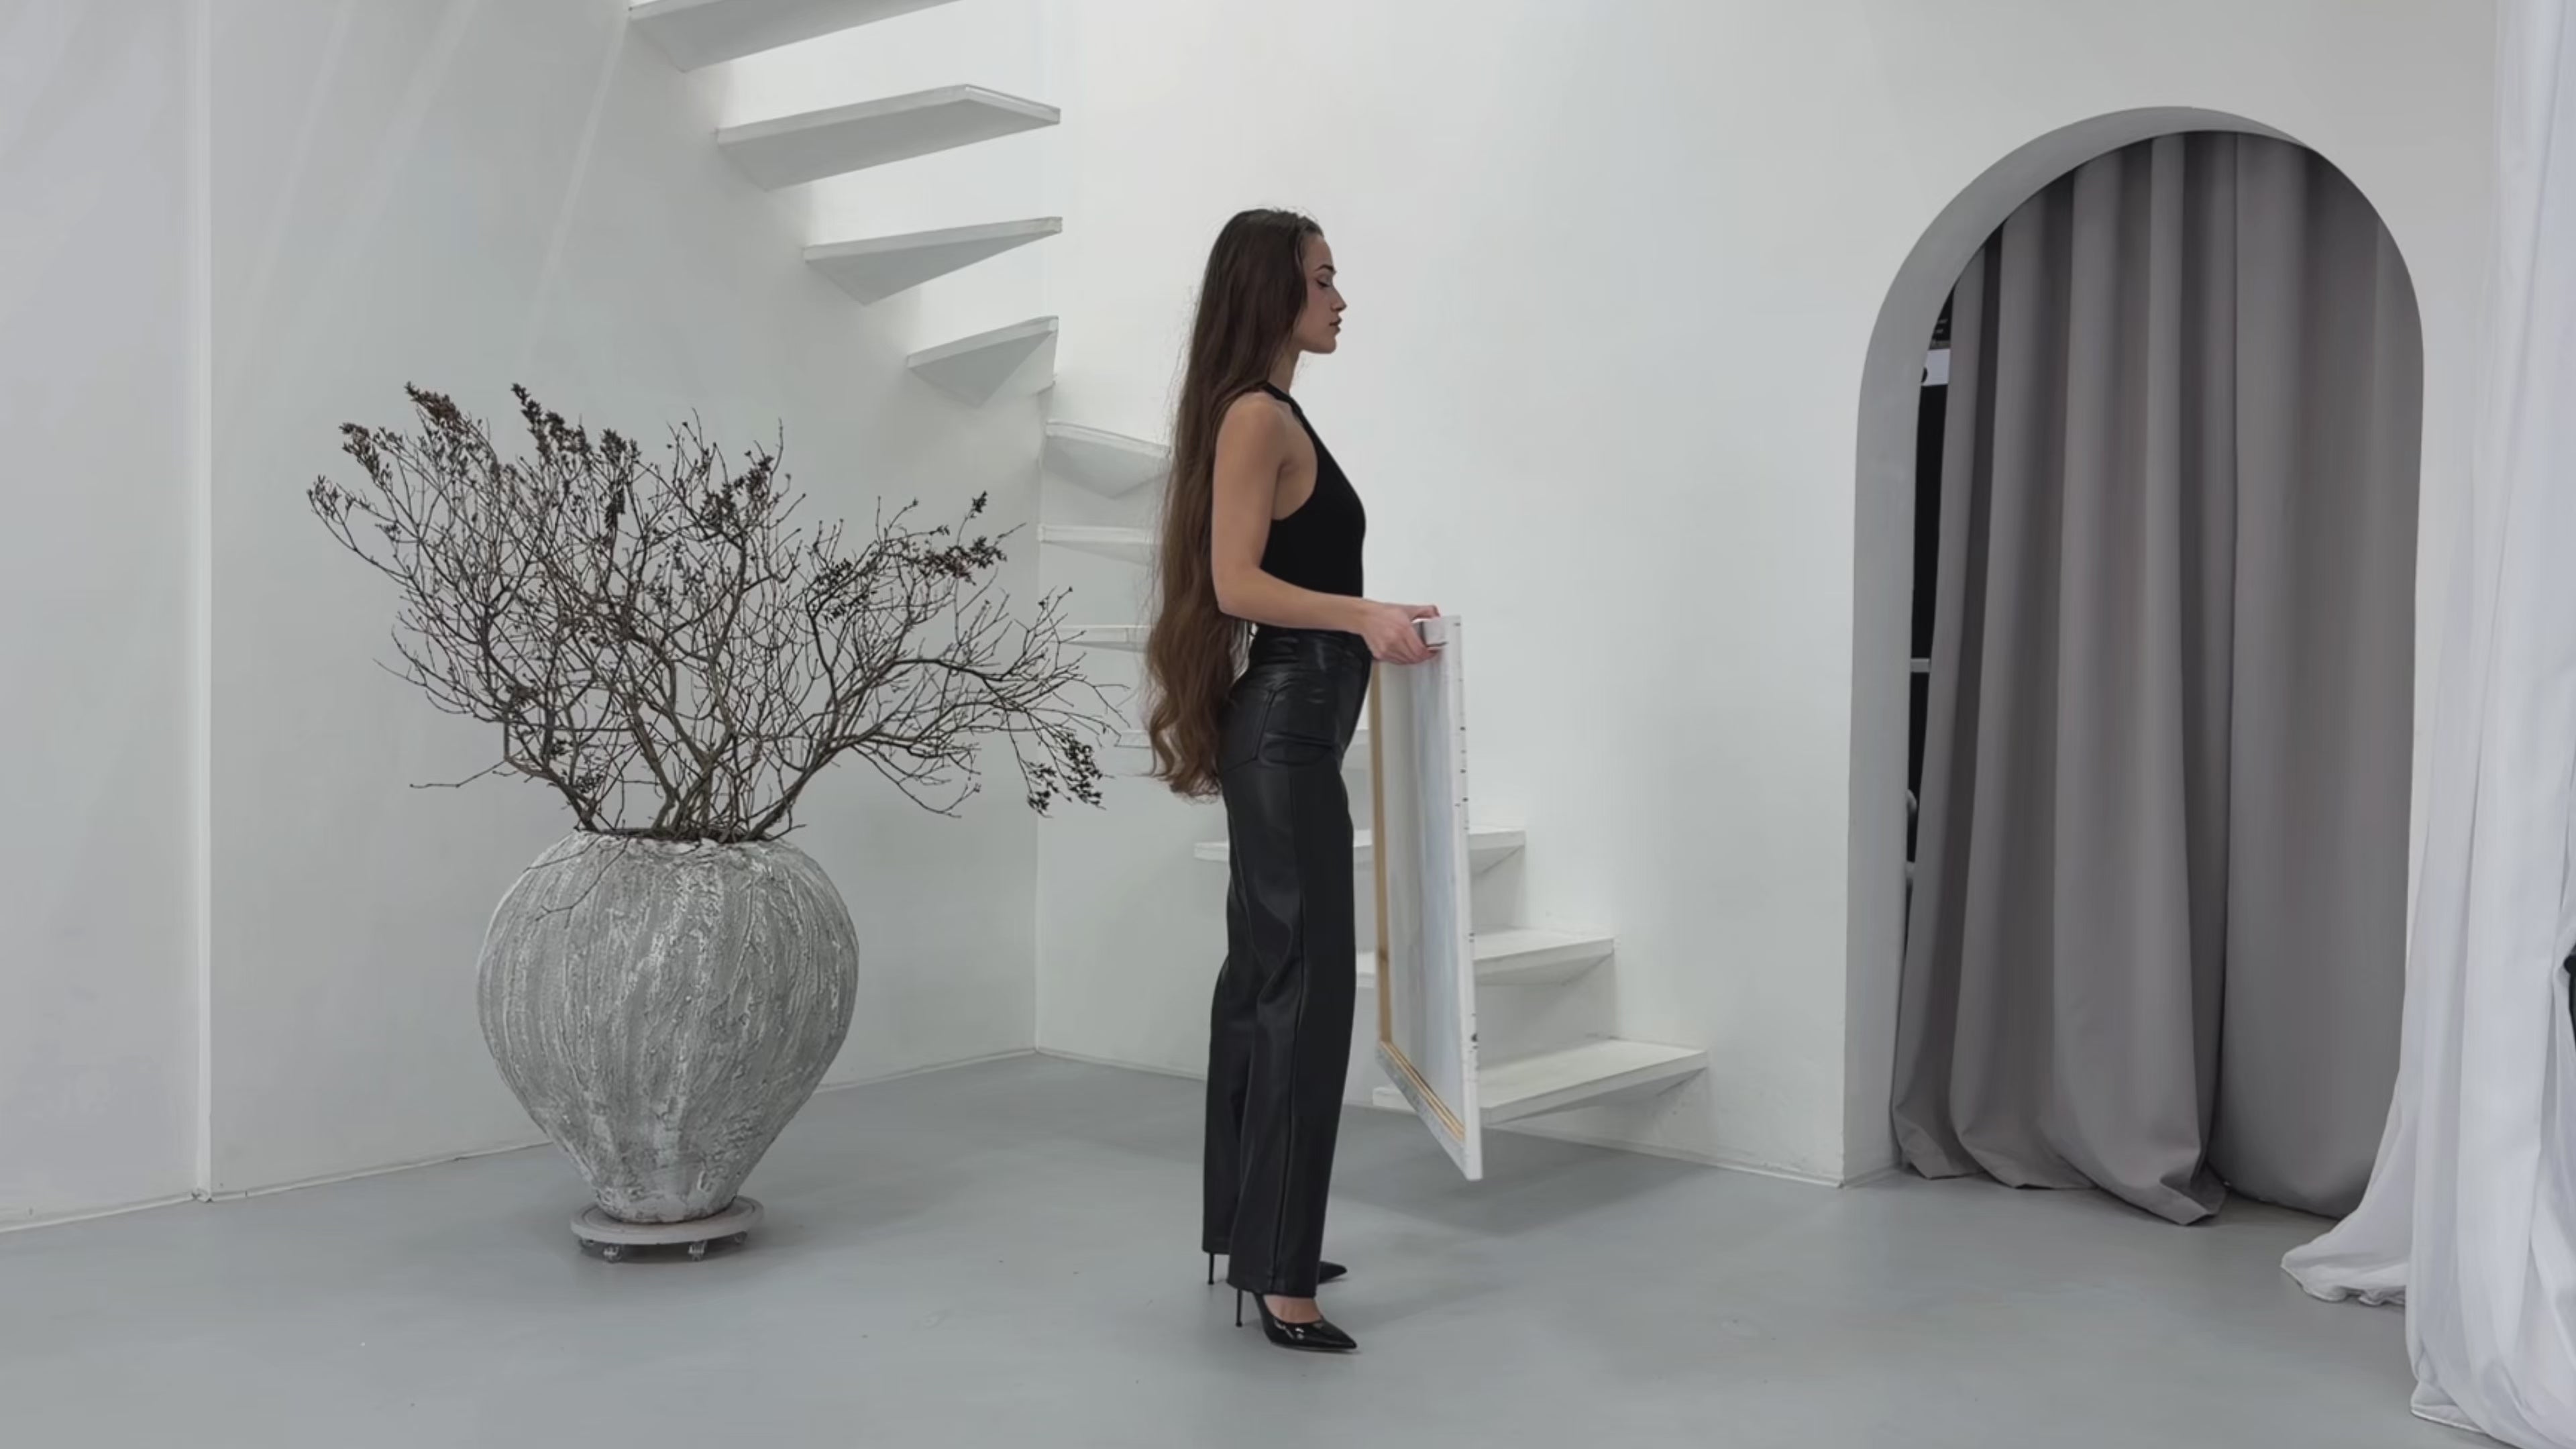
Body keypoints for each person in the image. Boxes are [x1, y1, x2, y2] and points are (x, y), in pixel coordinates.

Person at [1142, 209, 1439, 1354]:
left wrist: (1373, 612)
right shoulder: (1257, 416)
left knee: (1264, 987)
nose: (1340, 298)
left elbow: (1284, 572)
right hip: (1289, 735)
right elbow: (1237, 584)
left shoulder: (1267, 412)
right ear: (1273, 293)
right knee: (1304, 999)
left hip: (1292, 727)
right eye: (1323, 278)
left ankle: (1249, 1238)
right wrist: (1362, 615)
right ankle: (1282, 1278)